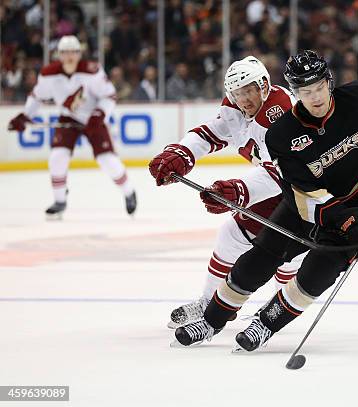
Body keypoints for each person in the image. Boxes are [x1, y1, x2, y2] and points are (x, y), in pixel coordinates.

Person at [173, 50, 358, 351]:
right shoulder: (283, 135)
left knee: (314, 276)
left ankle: (265, 324)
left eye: (319, 87)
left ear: (329, 81)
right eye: (306, 91)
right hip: (310, 207)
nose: (316, 97)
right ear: (295, 92)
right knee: (258, 260)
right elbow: (305, 194)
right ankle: (212, 320)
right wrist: (348, 221)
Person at [148, 56, 305, 330]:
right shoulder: (236, 108)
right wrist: (182, 153)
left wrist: (239, 191)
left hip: (305, 190)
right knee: (232, 236)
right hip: (278, 188)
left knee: (288, 256)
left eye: (248, 91)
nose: (243, 99)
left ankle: (279, 308)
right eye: (237, 92)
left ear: (264, 87)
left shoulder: (280, 114)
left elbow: (280, 171)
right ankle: (211, 303)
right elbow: (213, 133)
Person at [8, 35, 136, 218]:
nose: (69, 56)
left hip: (93, 120)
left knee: (107, 159)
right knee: (57, 157)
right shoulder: (48, 74)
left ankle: (129, 192)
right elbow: (37, 96)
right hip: (68, 119)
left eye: (73, 52)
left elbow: (109, 96)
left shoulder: (92, 71)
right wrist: (25, 116)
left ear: (79, 53)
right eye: (65, 52)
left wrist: (99, 114)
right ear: (58, 54)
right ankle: (60, 200)